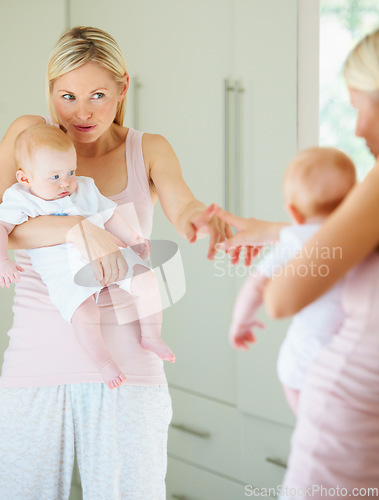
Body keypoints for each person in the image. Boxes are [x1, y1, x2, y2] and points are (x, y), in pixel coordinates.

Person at [0, 26, 229, 499]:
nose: (81, 113)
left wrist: (198, 220)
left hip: (130, 369)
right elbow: (6, 226)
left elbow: (181, 204)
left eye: (98, 95)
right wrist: (78, 229)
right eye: (66, 96)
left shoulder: (149, 148)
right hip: (35, 364)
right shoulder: (26, 137)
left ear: (123, 87)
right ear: (50, 92)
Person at [216, 27, 379, 496]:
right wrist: (278, 233)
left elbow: (282, 300)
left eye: (358, 107)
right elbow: (350, 241)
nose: (357, 128)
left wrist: (279, 250)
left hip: (344, 428)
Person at [0, 123, 176, 390]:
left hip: (108, 252)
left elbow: (110, 214)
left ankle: (151, 334)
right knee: (84, 315)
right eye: (55, 177)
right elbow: (3, 228)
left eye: (71, 171)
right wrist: (3, 261)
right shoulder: (20, 199)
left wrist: (133, 239)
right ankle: (104, 362)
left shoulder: (83, 187)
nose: (66, 183)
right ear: (25, 178)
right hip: (64, 272)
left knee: (147, 280)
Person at [229, 147, 356, 414]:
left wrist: (241, 322)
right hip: (353, 361)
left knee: (298, 395)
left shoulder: (294, 240)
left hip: (306, 360)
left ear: (294, 214)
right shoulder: (359, 238)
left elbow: (256, 285)